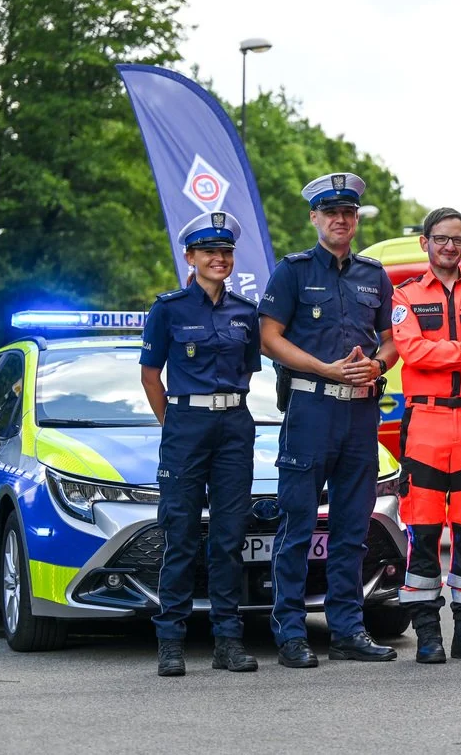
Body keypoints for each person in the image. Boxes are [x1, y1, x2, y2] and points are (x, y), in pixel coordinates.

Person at [258, 172, 398, 667]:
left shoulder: (374, 275)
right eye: (331, 213)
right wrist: (322, 367)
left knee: (351, 528)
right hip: (310, 408)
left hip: (360, 411)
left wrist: (378, 364)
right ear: (314, 217)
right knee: (297, 525)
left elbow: (391, 339)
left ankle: (347, 629)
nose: (341, 220)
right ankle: (291, 632)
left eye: (348, 213)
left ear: (355, 219)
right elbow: (269, 337)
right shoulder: (291, 272)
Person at [140, 211, 261, 677]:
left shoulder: (245, 313)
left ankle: (227, 641)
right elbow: (151, 377)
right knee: (181, 537)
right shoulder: (168, 309)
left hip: (234, 424)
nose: (219, 259)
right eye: (209, 252)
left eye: (226, 252)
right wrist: (174, 424)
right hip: (186, 425)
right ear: (190, 258)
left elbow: (249, 367)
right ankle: (171, 641)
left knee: (229, 538)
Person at [390, 207, 461, 664]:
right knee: (422, 532)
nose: (450, 247)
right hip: (425, 422)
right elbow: (411, 351)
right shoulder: (404, 294)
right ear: (425, 243)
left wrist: (460, 353)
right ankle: (427, 634)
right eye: (441, 239)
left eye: (457, 239)